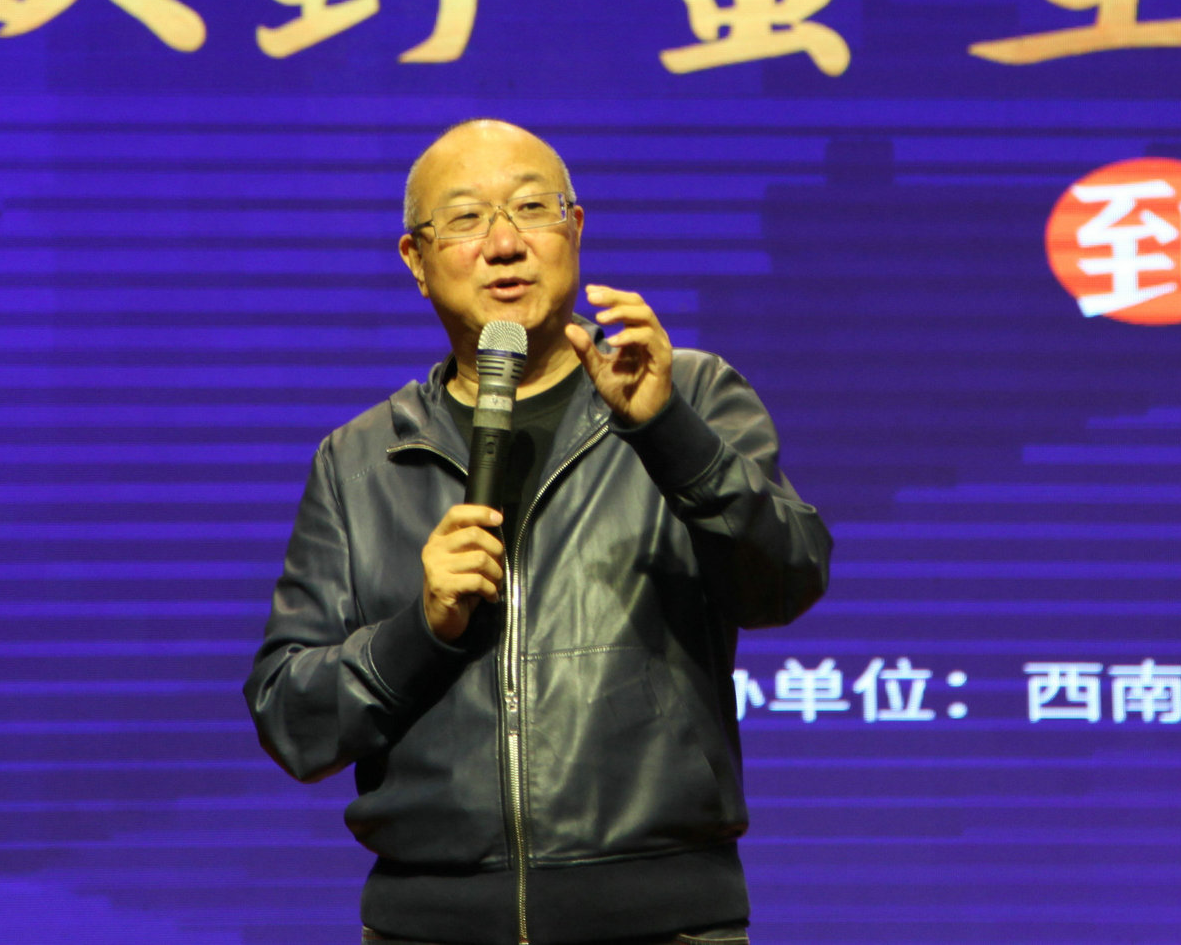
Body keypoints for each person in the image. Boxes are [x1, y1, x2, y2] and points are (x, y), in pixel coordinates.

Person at [245, 118, 831, 945]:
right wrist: (422, 630)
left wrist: (667, 433)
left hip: (664, 923)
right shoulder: (362, 459)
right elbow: (291, 717)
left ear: (575, 228)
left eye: (531, 208)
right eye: (466, 219)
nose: (504, 244)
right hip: (431, 928)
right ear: (415, 260)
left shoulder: (686, 397)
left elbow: (787, 580)